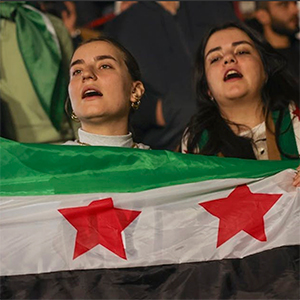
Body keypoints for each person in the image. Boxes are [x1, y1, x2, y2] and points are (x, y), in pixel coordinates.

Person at [104, 1, 238, 151]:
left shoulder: (215, 6)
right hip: (168, 143)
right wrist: (161, 111)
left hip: (237, 128)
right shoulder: (122, 25)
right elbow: (115, 92)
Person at [180, 22, 300, 184]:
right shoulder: (197, 141)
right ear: (207, 88)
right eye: (215, 59)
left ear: (265, 71)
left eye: (242, 51)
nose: (229, 59)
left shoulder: (296, 118)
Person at [0, 1, 75, 143]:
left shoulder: (53, 25)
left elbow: (74, 86)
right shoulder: (51, 25)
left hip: (60, 146)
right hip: (15, 149)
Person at [64, 36, 150, 149]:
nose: (86, 74)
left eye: (104, 66)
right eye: (77, 71)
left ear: (135, 91)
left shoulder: (160, 164)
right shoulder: (48, 163)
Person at [252, 1, 299, 81]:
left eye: (295, 3)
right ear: (263, 16)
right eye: (283, 4)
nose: (295, 10)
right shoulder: (258, 61)